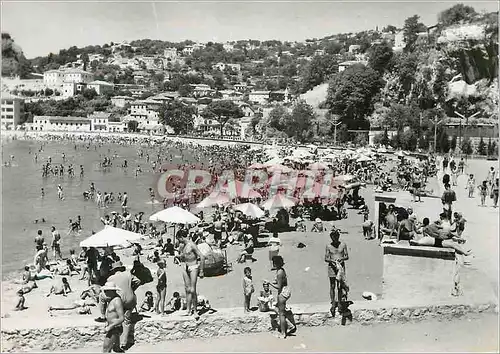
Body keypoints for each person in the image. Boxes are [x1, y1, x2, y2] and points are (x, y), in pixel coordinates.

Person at [96, 261, 141, 351]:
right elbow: (138, 281)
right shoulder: (128, 274)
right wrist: (131, 289)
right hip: (129, 299)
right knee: (127, 321)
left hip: (116, 299)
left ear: (114, 270)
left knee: (102, 297)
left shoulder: (110, 278)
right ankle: (123, 343)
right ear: (121, 268)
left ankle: (102, 314)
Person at [175, 231, 205, 318]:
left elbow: (201, 256)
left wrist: (202, 270)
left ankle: (195, 311)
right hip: (186, 266)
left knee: (192, 289)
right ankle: (188, 310)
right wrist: (179, 256)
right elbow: (185, 256)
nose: (178, 241)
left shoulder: (192, 244)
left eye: (178, 239)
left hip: (193, 266)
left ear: (181, 237)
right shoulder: (182, 246)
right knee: (187, 289)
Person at [265, 256, 295, 339]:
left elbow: (278, 287)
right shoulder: (281, 270)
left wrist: (269, 283)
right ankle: (290, 326)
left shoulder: (279, 273)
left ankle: (283, 333)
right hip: (286, 291)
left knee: (281, 314)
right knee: (279, 310)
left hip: (282, 293)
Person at [324, 229, 349, 318]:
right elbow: (326, 258)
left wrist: (341, 259)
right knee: (332, 285)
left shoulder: (343, 245)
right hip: (332, 267)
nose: (335, 238)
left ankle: (339, 304)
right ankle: (333, 303)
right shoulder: (328, 246)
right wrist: (332, 261)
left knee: (340, 286)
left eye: (337, 236)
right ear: (331, 237)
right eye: (333, 237)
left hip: (340, 267)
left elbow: (346, 256)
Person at [101, 282, 125, 353]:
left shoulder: (117, 301)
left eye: (106, 291)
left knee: (106, 349)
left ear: (112, 291)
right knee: (116, 349)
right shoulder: (111, 299)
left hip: (114, 328)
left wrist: (110, 327)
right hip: (112, 327)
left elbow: (121, 318)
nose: (105, 293)